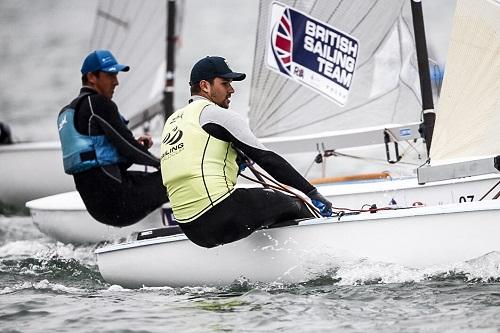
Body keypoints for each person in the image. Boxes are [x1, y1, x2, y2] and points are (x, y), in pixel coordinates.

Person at [160, 56, 332, 248]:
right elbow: (267, 159)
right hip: (220, 216)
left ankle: (274, 253)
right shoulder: (216, 114)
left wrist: (235, 160)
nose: (231, 90)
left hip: (192, 230)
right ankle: (323, 248)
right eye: (225, 84)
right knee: (294, 204)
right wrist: (311, 193)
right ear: (205, 86)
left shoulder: (173, 121)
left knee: (262, 205)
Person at [57, 49, 168, 226]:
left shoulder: (67, 113)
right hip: (119, 199)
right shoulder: (98, 104)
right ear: (92, 77)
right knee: (175, 177)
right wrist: (162, 163)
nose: (116, 82)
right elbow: (127, 146)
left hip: (97, 207)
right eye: (110, 76)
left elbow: (103, 164)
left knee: (155, 177)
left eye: (116, 75)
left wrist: (137, 150)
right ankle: (197, 228)